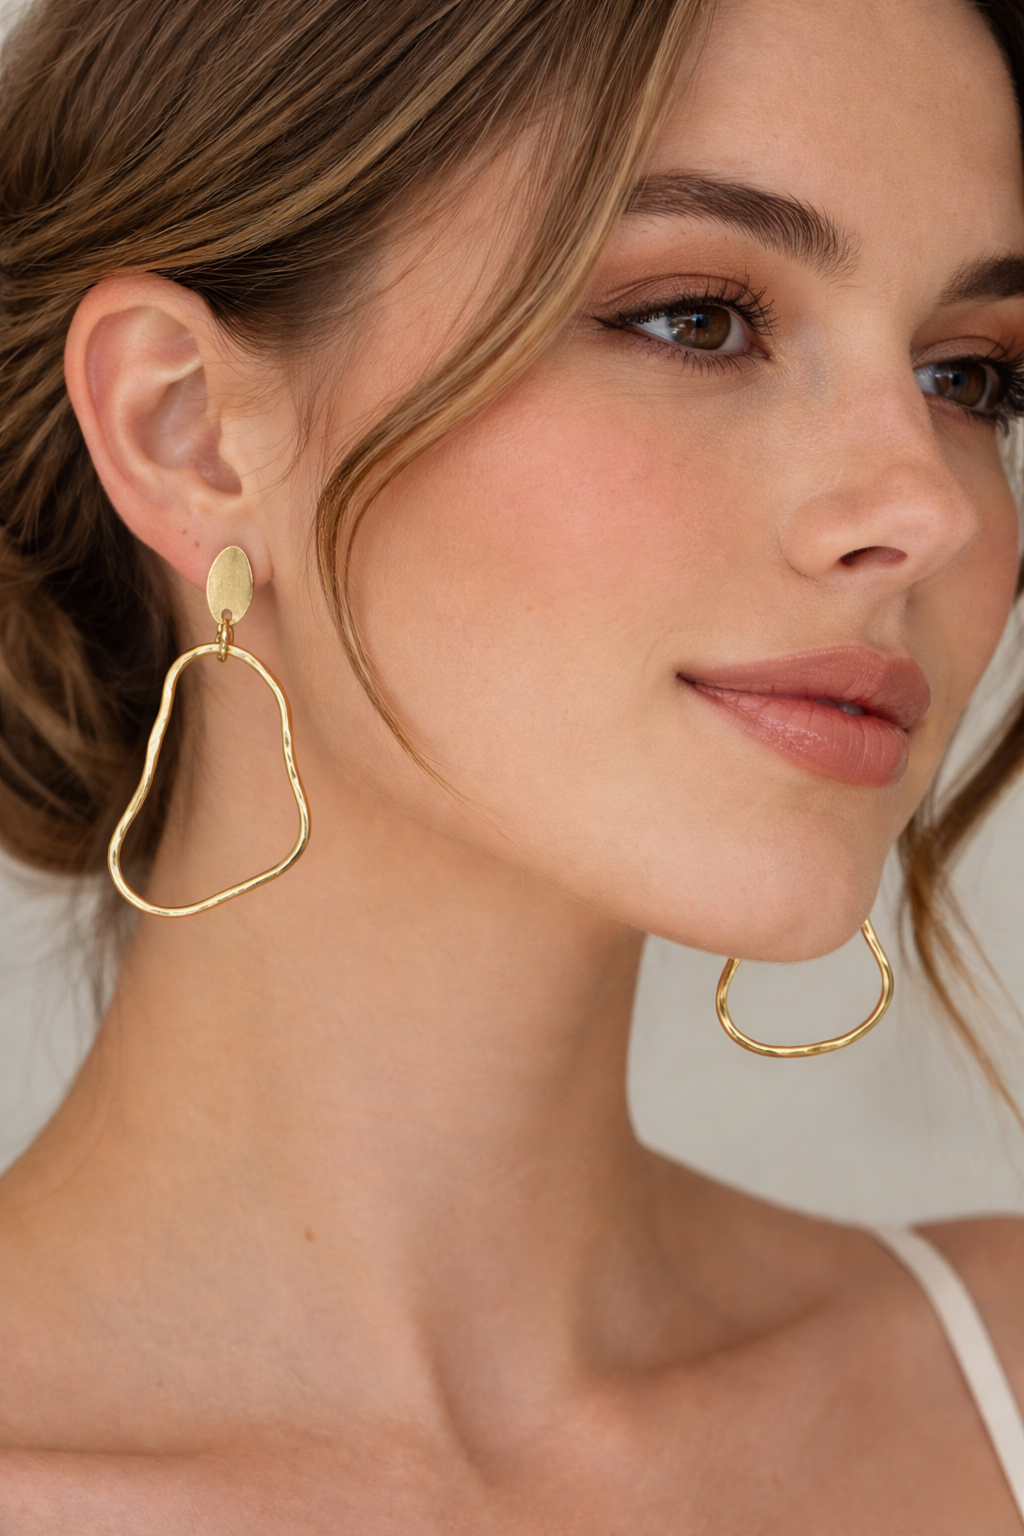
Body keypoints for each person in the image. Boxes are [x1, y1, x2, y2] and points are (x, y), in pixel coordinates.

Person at [0, 0, 1023, 1525]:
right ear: (188, 429)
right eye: (698, 320)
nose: (927, 508)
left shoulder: (997, 1387)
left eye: (971, 378)